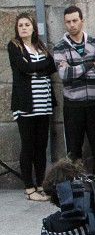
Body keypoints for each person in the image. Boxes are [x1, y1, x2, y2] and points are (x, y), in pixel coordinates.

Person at [52, 6, 95, 169]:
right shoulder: (59, 47)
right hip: (73, 105)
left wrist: (75, 68)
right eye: (68, 22)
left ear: (82, 21)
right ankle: (74, 185)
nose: (72, 25)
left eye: (75, 20)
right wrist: (89, 64)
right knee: (73, 151)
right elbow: (64, 75)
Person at [9, 12, 56, 201]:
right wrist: (39, 67)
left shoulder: (40, 46)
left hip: (43, 104)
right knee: (28, 146)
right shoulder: (15, 46)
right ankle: (29, 187)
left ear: (33, 27)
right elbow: (24, 68)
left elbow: (51, 66)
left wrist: (36, 67)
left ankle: (40, 184)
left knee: (41, 146)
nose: (23, 28)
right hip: (26, 105)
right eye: (20, 25)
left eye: (27, 25)